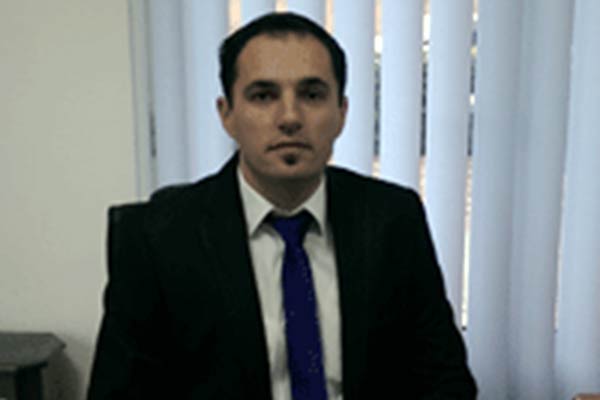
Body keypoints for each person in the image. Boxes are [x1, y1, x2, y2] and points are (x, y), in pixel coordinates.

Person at [88, 11, 476, 400]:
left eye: (312, 95)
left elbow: (444, 380)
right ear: (227, 115)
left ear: (341, 113)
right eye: (263, 96)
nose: (290, 118)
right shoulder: (157, 238)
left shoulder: (393, 219)